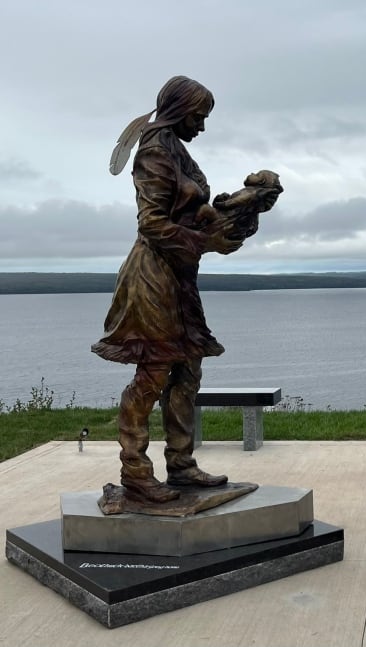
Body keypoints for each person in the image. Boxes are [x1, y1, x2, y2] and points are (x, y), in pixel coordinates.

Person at [93, 76, 280, 504]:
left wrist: (243, 209)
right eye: (198, 115)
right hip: (152, 277)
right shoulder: (156, 151)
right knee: (154, 372)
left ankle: (181, 464)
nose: (202, 124)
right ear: (179, 109)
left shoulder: (177, 150)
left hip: (179, 275)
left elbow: (194, 214)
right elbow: (152, 222)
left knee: (188, 370)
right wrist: (205, 240)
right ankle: (136, 471)